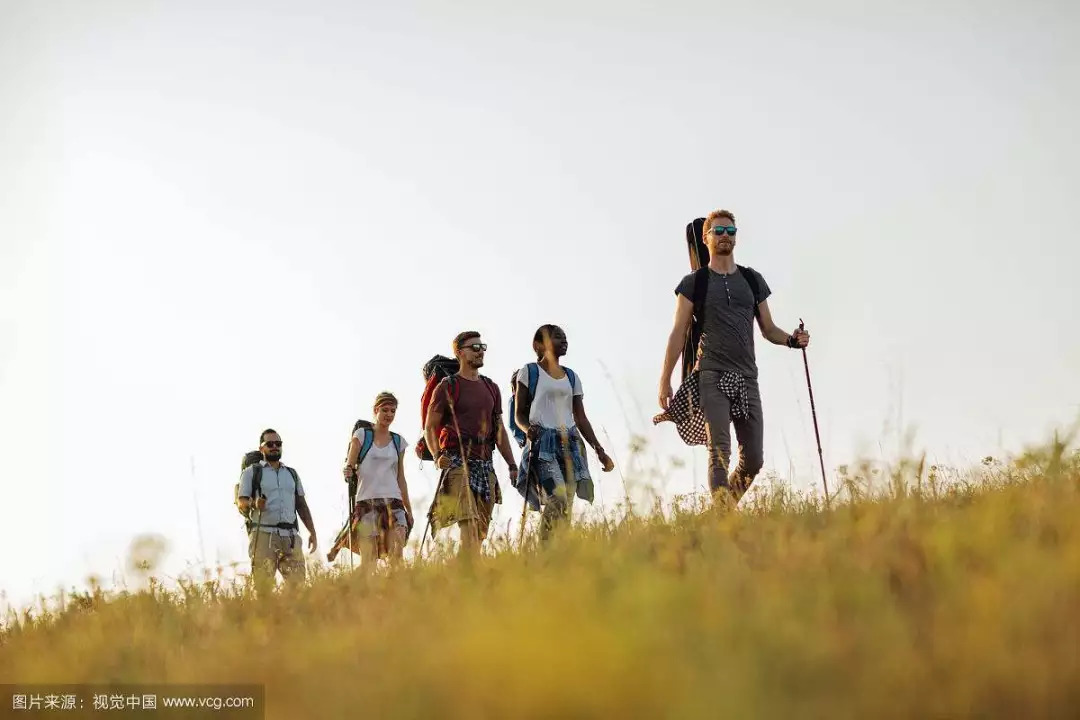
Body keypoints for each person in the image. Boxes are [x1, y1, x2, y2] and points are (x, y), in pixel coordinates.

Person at [657, 209, 809, 504]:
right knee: (720, 453)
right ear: (706, 238)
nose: (725, 237)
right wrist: (664, 381)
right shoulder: (694, 283)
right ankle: (726, 519)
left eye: (731, 232)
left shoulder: (752, 280)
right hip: (711, 375)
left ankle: (721, 514)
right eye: (718, 231)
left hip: (747, 377)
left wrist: (792, 340)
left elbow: (768, 329)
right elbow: (678, 332)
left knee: (753, 459)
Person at [513, 324, 614, 542]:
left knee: (567, 501)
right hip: (542, 444)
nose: (564, 341)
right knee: (556, 497)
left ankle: (560, 554)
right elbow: (518, 414)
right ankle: (544, 551)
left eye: (565, 337)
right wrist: (527, 429)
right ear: (538, 345)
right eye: (557, 337)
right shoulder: (529, 371)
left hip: (570, 443)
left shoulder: (571, 376)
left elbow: (580, 417)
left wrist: (599, 449)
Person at [424, 330, 519, 556]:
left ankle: (464, 577)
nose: (480, 352)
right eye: (474, 348)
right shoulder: (447, 386)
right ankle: (468, 577)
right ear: (459, 353)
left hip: (485, 463)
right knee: (468, 524)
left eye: (482, 347)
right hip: (457, 463)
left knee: (480, 534)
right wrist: (438, 456)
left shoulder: (491, 387)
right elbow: (430, 427)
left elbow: (499, 430)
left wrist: (512, 465)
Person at [329, 392, 414, 567]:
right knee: (369, 558)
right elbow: (349, 464)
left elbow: (401, 478)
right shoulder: (361, 436)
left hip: (394, 502)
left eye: (392, 411)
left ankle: (398, 589)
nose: (389, 415)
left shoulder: (399, 441)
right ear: (376, 410)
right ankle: (366, 592)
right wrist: (348, 471)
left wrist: (409, 510)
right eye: (385, 410)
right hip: (367, 503)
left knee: (397, 552)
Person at [237, 429, 317, 588]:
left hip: (291, 537)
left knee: (299, 588)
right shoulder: (251, 472)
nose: (275, 447)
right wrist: (254, 504)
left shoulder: (291, 474)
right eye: (270, 444)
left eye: (278, 444)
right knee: (263, 589)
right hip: (263, 535)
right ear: (262, 448)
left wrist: (312, 532)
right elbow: (241, 501)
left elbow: (301, 504)